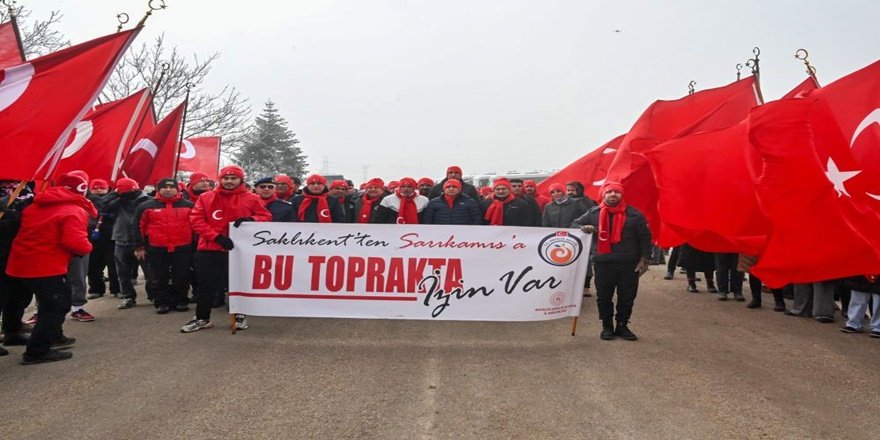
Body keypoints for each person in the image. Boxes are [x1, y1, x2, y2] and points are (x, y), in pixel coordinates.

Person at [6, 172, 94, 364]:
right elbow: (75, 242)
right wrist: (88, 246)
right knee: (56, 306)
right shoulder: (74, 210)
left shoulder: (34, 206)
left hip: (20, 263)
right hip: (47, 266)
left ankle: (43, 335)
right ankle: (37, 351)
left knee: (28, 301)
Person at [183, 165, 272, 333]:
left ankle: (240, 315)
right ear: (220, 179)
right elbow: (196, 220)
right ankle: (202, 317)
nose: (229, 181)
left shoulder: (252, 198)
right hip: (209, 248)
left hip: (239, 250)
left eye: (233, 178)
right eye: (226, 178)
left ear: (241, 180)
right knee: (205, 285)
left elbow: (266, 217)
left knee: (238, 284)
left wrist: (251, 220)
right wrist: (216, 237)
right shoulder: (206, 197)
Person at [573, 182, 651, 341]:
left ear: (622, 195)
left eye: (616, 192)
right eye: (609, 192)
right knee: (603, 296)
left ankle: (622, 325)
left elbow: (645, 238)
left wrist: (644, 259)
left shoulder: (634, 214)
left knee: (627, 296)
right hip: (603, 262)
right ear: (603, 194)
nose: (613, 195)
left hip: (629, 263)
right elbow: (574, 224)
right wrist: (585, 227)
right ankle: (607, 326)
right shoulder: (594, 213)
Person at [132, 178, 196, 314]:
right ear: (158, 190)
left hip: (183, 247)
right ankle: (161, 302)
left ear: (177, 189)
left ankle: (181, 300)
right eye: (164, 188)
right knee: (159, 277)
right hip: (157, 247)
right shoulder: (146, 206)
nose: (168, 190)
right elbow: (138, 227)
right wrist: (139, 246)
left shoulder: (189, 205)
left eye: (171, 187)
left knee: (182, 275)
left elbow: (196, 226)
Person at [100, 177, 151, 310]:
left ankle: (154, 294)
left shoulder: (147, 201)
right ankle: (128, 296)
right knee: (122, 272)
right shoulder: (119, 201)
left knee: (150, 272)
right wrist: (116, 193)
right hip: (121, 239)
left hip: (143, 241)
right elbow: (101, 205)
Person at [0, 180, 35, 353]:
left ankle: (12, 330)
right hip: (2, 248)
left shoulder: (25, 186)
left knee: (20, 292)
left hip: (21, 248)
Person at [86, 179, 120, 301]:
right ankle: (96, 289)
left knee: (113, 265)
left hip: (110, 236)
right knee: (93, 265)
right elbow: (100, 204)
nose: (98, 190)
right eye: (95, 188)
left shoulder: (117, 199)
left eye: (101, 187)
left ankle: (116, 288)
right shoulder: (87, 199)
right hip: (92, 236)